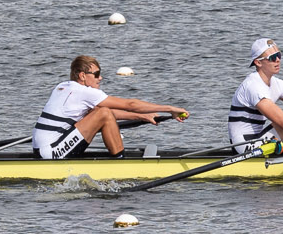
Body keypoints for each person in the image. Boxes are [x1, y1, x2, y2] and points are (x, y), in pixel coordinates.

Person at [33, 54, 189, 159]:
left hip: (42, 150)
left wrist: (143, 117)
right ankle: (120, 161)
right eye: (96, 74)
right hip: (52, 153)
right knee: (105, 114)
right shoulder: (84, 92)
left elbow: (99, 113)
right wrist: (170, 109)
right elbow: (130, 105)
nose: (100, 78)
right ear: (82, 76)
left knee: (103, 113)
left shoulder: (63, 86)